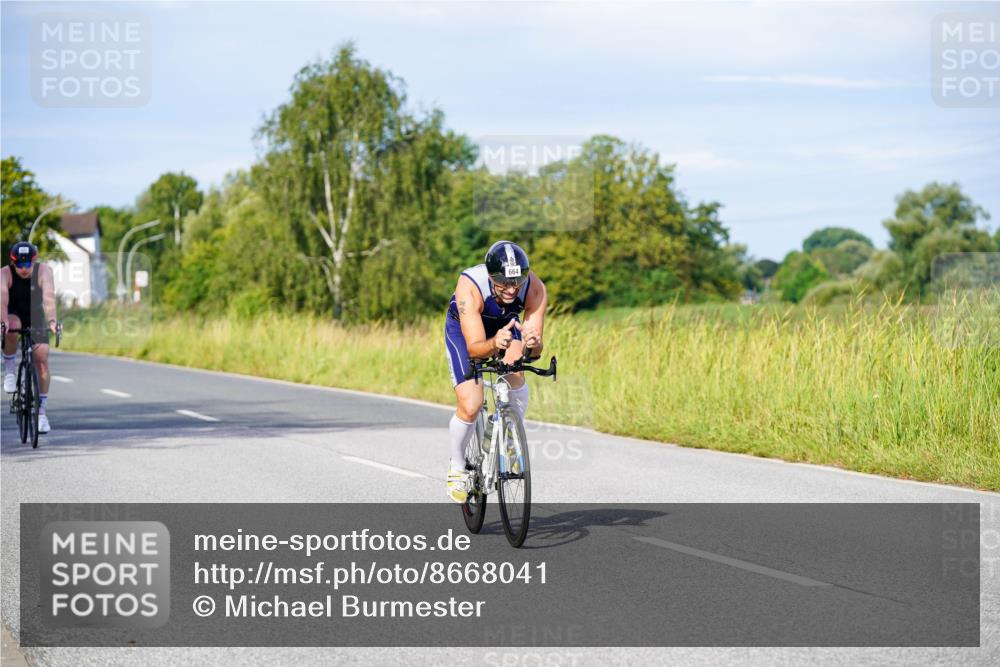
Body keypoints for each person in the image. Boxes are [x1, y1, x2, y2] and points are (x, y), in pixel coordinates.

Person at [443, 241, 548, 502]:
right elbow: (475, 349)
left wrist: (532, 344)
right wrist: (494, 344)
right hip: (466, 332)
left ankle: (511, 437)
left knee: (516, 375)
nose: (512, 289)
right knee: (471, 404)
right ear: (491, 277)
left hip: (505, 325)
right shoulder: (470, 286)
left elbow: (535, 353)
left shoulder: (534, 288)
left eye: (517, 282)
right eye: (503, 283)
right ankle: (457, 467)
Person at [1, 241, 58, 434]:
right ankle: (10, 371)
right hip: (13, 314)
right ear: (13, 262)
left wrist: (52, 320)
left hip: (35, 315)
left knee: (42, 358)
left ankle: (41, 413)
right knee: (12, 326)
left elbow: (49, 297)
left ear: (34, 261)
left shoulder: (44, 271)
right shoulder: (4, 274)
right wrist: (3, 321)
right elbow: (2, 301)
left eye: (27, 264)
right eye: (19, 264)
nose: (24, 269)